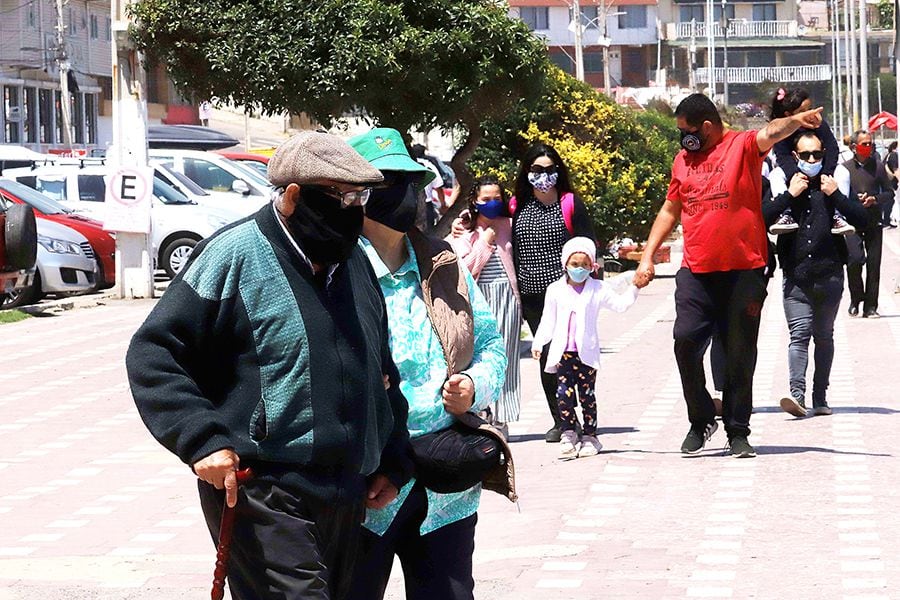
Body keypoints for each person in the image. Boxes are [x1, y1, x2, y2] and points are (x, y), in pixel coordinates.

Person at [125, 131, 414, 599]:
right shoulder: (232, 255)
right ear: (294, 197)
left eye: (361, 196)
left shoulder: (355, 263)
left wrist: (392, 455)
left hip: (345, 488)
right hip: (263, 487)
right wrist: (202, 441)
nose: (354, 211)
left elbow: (380, 369)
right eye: (342, 197)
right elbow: (155, 352)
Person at [347, 127, 507, 600]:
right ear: (357, 194)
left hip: (444, 482)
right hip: (369, 485)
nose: (406, 194)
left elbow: (494, 345)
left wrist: (474, 383)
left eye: (411, 181)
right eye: (389, 181)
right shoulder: (335, 270)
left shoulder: (443, 262)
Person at [634, 92, 824, 458]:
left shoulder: (741, 146)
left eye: (687, 131)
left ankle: (738, 431)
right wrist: (647, 257)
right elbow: (670, 209)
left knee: (739, 354)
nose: (683, 139)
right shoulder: (683, 160)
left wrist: (797, 122)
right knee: (685, 340)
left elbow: (770, 131)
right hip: (696, 270)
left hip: (744, 270)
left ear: (707, 126)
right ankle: (702, 417)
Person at [450, 143, 596, 443]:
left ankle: (583, 417)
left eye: (548, 169)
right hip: (529, 297)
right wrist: (461, 220)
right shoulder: (517, 205)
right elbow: (483, 214)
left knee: (572, 356)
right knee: (546, 358)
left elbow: (588, 246)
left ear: (558, 171)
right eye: (536, 170)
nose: (543, 176)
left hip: (564, 295)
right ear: (527, 172)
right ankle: (561, 419)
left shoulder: (570, 203)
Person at [764, 131, 869, 418]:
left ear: (824, 155)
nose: (812, 159)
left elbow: (863, 219)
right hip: (796, 276)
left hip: (829, 275)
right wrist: (789, 195)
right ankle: (797, 394)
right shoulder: (785, 183)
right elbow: (761, 218)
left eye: (817, 154)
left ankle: (819, 395)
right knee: (799, 335)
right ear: (795, 157)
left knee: (823, 336)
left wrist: (835, 195)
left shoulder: (831, 183)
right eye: (806, 155)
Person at [531, 237, 639, 459]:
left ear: (592, 266)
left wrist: (635, 287)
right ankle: (569, 432)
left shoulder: (598, 288)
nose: (579, 269)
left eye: (584, 265)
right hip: (563, 355)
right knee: (563, 395)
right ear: (565, 264)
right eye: (574, 264)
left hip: (586, 355)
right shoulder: (555, 290)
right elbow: (547, 320)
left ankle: (591, 436)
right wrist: (539, 342)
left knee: (587, 396)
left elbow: (620, 305)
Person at [447, 175, 522, 437]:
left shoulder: (509, 225)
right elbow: (464, 269)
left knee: (508, 357)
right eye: (485, 199)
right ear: (475, 202)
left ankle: (503, 417)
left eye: (496, 198)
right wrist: (484, 243)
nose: (492, 203)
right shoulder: (465, 232)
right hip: (478, 300)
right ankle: (481, 410)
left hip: (507, 298)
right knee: (480, 356)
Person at [767, 87, 854, 236]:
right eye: (803, 111)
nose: (810, 114)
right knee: (775, 175)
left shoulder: (820, 124)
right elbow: (782, 155)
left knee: (843, 172)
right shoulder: (782, 128)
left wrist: (826, 172)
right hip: (796, 169)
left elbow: (832, 148)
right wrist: (795, 174)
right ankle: (785, 215)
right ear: (789, 115)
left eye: (810, 108)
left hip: (821, 167)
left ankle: (839, 216)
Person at [837, 130, 895, 318]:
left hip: (873, 221)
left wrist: (874, 199)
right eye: (864, 144)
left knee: (873, 264)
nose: (868, 147)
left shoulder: (877, 167)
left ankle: (871, 306)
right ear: (854, 147)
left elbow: (889, 193)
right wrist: (855, 200)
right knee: (854, 260)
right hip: (852, 222)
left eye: (870, 143)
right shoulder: (844, 169)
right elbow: (839, 196)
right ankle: (856, 298)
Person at [886, 141, 900, 227]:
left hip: (891, 183)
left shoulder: (890, 155)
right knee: (895, 201)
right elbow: (896, 170)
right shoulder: (894, 155)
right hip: (893, 184)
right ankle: (893, 219)